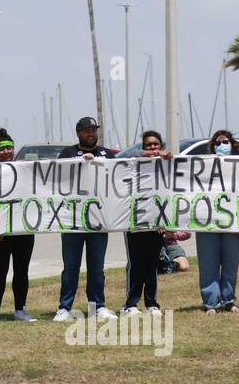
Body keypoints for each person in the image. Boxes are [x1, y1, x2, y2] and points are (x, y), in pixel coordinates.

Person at [54, 116, 118, 322]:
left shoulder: (107, 154)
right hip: (72, 220)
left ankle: (98, 306)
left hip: (98, 220)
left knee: (97, 267)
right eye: (87, 130)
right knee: (71, 267)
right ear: (78, 133)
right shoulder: (68, 153)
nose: (91, 134)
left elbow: (121, 175)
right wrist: (80, 162)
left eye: (94, 130)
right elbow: (57, 175)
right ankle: (64, 308)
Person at [0, 129, 36, 323]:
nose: (7, 152)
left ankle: (20, 309)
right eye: (2, 149)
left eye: (10, 148)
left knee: (22, 270)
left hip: (24, 228)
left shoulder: (24, 170)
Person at [197, 128, 239, 312]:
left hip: (234, 222)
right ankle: (211, 302)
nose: (222, 145)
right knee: (208, 263)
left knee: (231, 263)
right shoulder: (201, 166)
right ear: (212, 146)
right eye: (218, 143)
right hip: (206, 221)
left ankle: (228, 300)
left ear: (232, 145)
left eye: (225, 142)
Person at [123, 130, 172, 316]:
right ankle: (131, 304)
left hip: (157, 223)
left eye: (156, 145)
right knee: (136, 264)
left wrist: (165, 223)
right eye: (148, 145)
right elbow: (123, 156)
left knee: (152, 264)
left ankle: (151, 303)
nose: (153, 148)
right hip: (135, 221)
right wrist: (147, 155)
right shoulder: (133, 162)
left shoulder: (167, 165)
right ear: (142, 148)